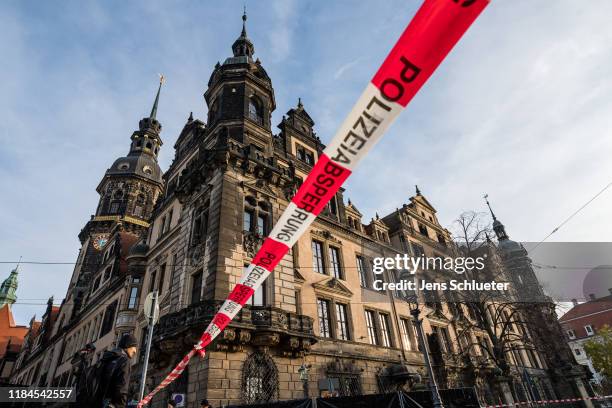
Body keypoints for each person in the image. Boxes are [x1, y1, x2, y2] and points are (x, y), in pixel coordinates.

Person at [96, 333, 138, 408]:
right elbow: (122, 389)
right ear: (127, 345)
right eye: (134, 346)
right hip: (112, 404)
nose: (135, 351)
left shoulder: (106, 359)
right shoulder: (125, 360)